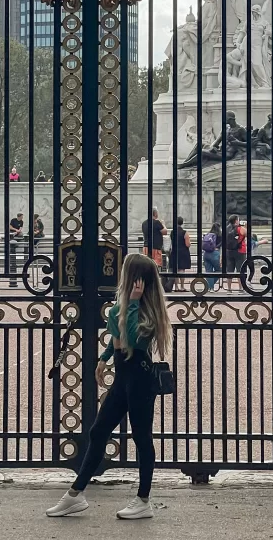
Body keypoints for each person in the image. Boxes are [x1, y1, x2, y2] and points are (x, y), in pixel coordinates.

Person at [46, 253, 171, 520]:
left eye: (127, 271)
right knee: (98, 431)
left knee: (142, 438)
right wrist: (104, 359)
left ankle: (143, 499)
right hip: (124, 378)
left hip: (139, 379)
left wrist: (133, 304)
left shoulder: (145, 311)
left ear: (137, 280)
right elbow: (116, 339)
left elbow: (132, 338)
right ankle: (75, 494)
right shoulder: (122, 306)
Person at [225, 214, 247, 290]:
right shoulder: (240, 228)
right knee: (240, 270)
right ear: (236, 221)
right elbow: (248, 234)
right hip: (240, 251)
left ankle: (229, 288)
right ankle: (241, 288)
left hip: (229, 251)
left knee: (230, 270)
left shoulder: (226, 229)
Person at [169, 216, 192, 290]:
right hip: (183, 252)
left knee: (175, 269)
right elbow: (187, 244)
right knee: (181, 269)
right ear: (182, 223)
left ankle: (176, 286)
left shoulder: (172, 232)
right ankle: (182, 286)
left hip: (174, 251)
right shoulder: (185, 232)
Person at [202, 222, 222, 290]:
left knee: (208, 271)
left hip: (206, 254)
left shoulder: (208, 234)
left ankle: (210, 287)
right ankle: (210, 286)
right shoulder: (219, 235)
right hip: (215, 253)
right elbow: (222, 243)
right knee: (219, 270)